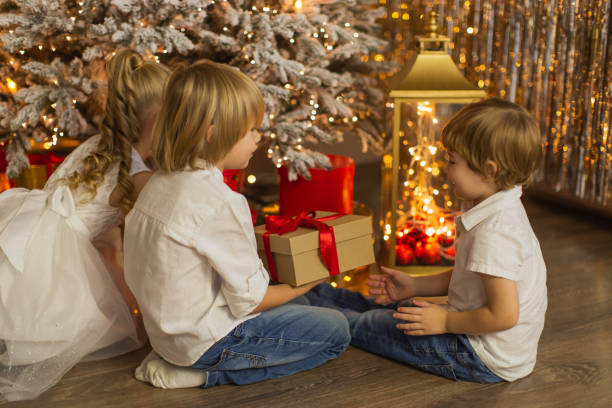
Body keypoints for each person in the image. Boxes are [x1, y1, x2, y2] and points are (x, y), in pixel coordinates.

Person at [123, 60, 350, 390]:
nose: (258, 138)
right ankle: (206, 374)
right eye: (250, 131)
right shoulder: (220, 201)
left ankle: (176, 359)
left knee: (301, 305)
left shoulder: (158, 184)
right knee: (336, 330)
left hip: (167, 337)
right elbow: (251, 301)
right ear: (214, 134)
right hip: (206, 342)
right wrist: (314, 277)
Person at [303, 97, 547, 383]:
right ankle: (307, 296)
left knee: (369, 323)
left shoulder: (496, 233)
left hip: (479, 355)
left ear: (488, 170)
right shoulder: (492, 203)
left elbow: (504, 316)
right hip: (471, 330)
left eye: (452, 161)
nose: (446, 169)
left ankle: (297, 315)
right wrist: (416, 286)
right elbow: (468, 276)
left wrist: (445, 321)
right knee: (386, 309)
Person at [0, 49, 170, 401]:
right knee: (50, 319)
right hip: (53, 246)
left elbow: (107, 242)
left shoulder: (96, 145)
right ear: (160, 117)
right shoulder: (138, 175)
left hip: (30, 221)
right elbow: (134, 245)